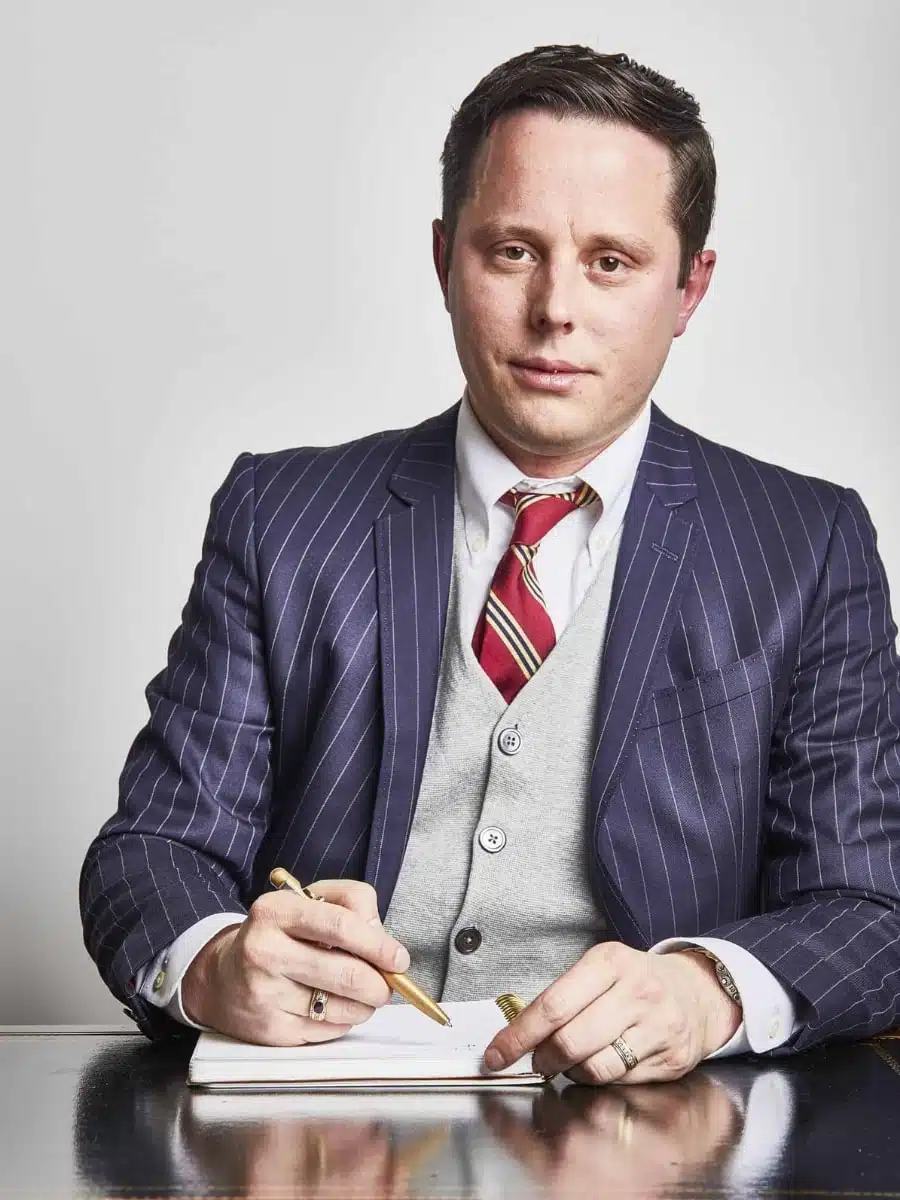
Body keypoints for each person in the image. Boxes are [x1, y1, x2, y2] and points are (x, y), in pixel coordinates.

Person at [80, 44, 900, 1085]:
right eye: (512, 250)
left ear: (690, 286)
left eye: (612, 261)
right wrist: (210, 963)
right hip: (327, 1131)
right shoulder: (279, 517)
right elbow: (152, 848)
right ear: (443, 260)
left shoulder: (805, 544)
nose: (556, 309)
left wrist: (709, 988)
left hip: (655, 1133)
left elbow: (873, 905)